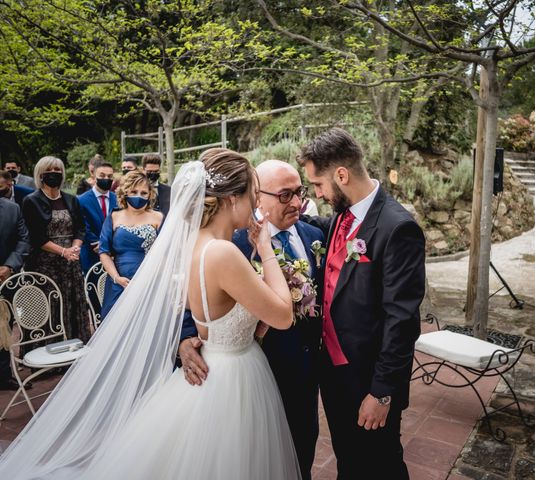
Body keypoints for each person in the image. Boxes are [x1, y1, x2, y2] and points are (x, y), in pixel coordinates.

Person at [0, 153, 301, 479]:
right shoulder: (223, 252)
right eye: (251, 195)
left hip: (214, 358)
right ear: (232, 198)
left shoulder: (193, 244)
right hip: (232, 372)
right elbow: (283, 315)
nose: (255, 203)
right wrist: (266, 248)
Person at [179, 158, 324, 480]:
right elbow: (184, 303)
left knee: (297, 452)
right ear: (236, 197)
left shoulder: (315, 233)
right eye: (285, 195)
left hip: (301, 373)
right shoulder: (230, 245)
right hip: (245, 376)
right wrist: (184, 338)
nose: (298, 202)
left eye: (300, 192)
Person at [298, 128, 426, 479]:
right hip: (335, 374)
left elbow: (401, 321)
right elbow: (326, 228)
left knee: (381, 464)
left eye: (318, 185)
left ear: (342, 175)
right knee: (350, 462)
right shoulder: (344, 213)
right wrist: (287, 214)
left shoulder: (398, 228)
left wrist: (382, 393)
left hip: (369, 380)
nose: (317, 194)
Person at [22, 156, 91, 343]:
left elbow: (80, 227)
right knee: (49, 307)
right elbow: (36, 237)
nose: (54, 174)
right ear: (40, 174)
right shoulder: (31, 201)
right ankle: (47, 352)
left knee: (73, 304)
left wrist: (75, 246)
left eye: (58, 170)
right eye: (50, 170)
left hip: (71, 263)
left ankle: (75, 345)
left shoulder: (71, 199)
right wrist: (63, 251)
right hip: (44, 265)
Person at [99, 170, 162, 320]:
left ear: (150, 194)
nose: (138, 196)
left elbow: (166, 253)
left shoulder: (158, 217)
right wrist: (116, 278)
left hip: (150, 281)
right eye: (134, 191)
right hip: (120, 282)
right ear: (125, 192)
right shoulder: (114, 216)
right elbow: (104, 252)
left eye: (143, 193)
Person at [0, 194, 30, 391]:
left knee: (5, 326)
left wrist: (9, 266)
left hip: (5, 278)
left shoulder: (12, 209)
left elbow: (23, 240)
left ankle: (4, 375)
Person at [78, 162, 117, 274]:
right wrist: (98, 244)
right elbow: (82, 226)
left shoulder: (118, 200)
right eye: (102, 175)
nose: (106, 178)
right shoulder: (81, 200)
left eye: (110, 176)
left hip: (114, 254)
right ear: (94, 177)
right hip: (91, 254)